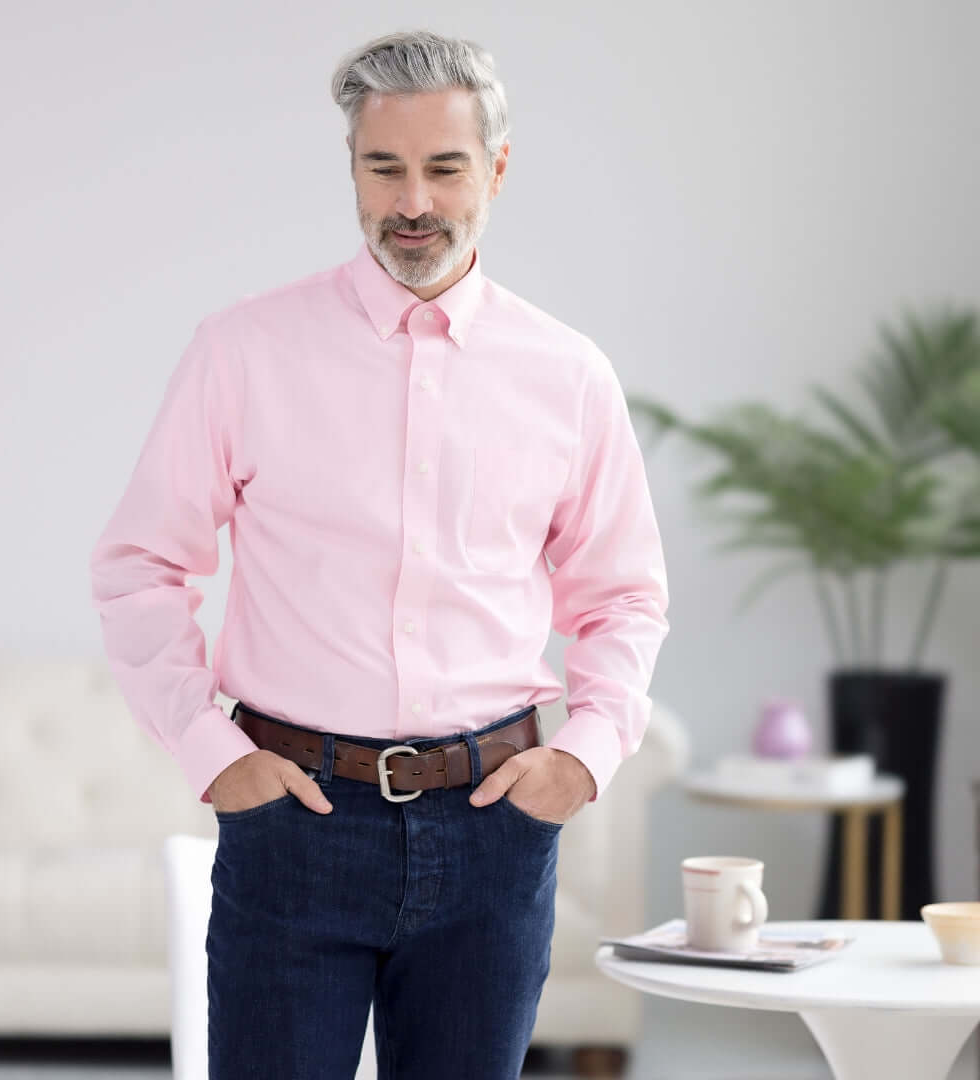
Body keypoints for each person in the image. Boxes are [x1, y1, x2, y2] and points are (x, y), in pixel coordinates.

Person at [89, 28, 670, 1080]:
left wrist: (584, 757)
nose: (413, 202)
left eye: (444, 168)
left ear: (496, 169)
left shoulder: (569, 375)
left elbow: (623, 596)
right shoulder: (244, 351)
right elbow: (141, 566)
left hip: (494, 827)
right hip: (295, 821)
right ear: (351, 167)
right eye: (383, 167)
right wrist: (209, 751)